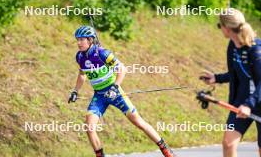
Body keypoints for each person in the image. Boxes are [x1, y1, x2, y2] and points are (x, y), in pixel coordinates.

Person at [68, 26, 176, 157]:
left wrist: (115, 87)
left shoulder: (103, 53)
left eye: (81, 40)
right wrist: (75, 91)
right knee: (89, 126)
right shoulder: (79, 57)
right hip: (99, 96)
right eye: (77, 40)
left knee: (138, 122)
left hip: (115, 93)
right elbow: (82, 74)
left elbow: (122, 69)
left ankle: (166, 150)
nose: (78, 43)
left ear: (90, 40)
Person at [200, 8, 261, 157]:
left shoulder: (256, 49)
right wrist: (217, 78)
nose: (219, 29)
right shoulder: (233, 46)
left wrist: (249, 105)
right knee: (228, 143)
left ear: (226, 28)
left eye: (219, 25)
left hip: (257, 102)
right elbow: (237, 74)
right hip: (240, 103)